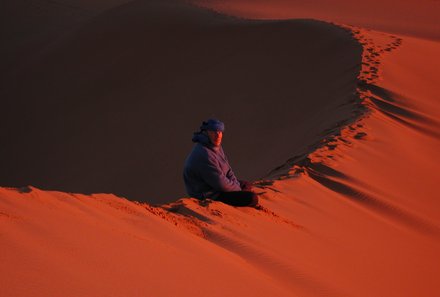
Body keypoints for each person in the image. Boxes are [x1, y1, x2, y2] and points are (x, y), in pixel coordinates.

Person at [183, 119, 259, 207]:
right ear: (207, 133)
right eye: (214, 131)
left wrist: (237, 185)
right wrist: (239, 189)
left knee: (246, 184)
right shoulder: (204, 154)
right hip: (208, 195)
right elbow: (220, 183)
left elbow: (228, 171)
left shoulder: (215, 146)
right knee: (252, 198)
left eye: (220, 132)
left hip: (216, 186)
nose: (218, 135)